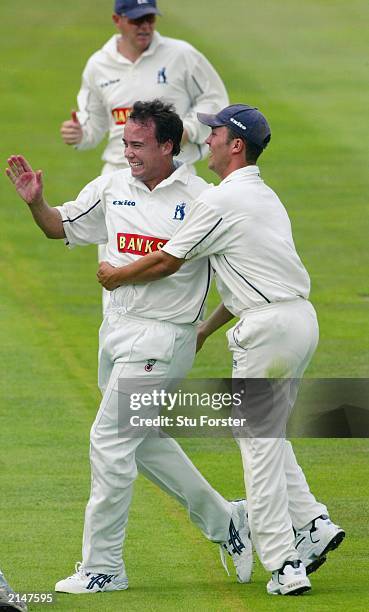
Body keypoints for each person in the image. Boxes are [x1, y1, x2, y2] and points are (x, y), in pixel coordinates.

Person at [96, 103, 345, 596]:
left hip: (266, 331)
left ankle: (283, 563)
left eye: (216, 133)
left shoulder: (219, 202)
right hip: (299, 323)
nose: (206, 139)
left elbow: (167, 261)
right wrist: (207, 329)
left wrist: (114, 275)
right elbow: (245, 279)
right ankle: (313, 522)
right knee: (267, 435)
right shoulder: (264, 197)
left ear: (236, 145)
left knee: (257, 448)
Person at [5, 100, 252, 595]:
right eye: (125, 143)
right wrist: (36, 202)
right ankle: (228, 521)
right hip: (116, 331)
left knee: (110, 442)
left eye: (138, 145)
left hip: (164, 336)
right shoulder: (113, 186)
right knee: (142, 445)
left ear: (168, 146)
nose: (128, 153)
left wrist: (124, 280)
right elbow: (60, 226)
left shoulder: (203, 198)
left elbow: (175, 265)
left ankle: (104, 567)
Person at [60, 0, 229, 313]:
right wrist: (80, 135)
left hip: (174, 177)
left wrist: (187, 130)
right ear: (117, 20)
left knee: (170, 263)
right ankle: (121, 345)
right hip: (118, 180)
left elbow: (216, 101)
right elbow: (94, 127)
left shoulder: (182, 56)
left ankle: (167, 345)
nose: (145, 26)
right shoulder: (99, 65)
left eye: (150, 18)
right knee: (118, 269)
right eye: (137, 20)